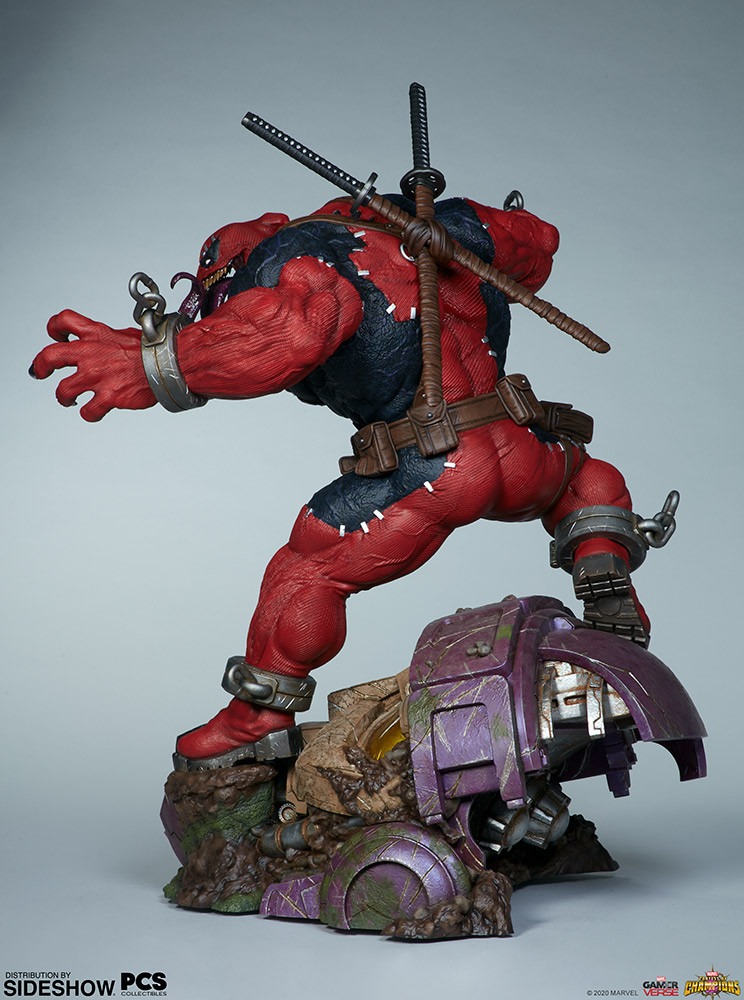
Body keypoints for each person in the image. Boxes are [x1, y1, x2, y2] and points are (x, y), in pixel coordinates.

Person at [32, 193, 653, 769]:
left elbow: (293, 332)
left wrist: (152, 363)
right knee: (583, 477)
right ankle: (600, 552)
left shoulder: (296, 256)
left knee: (306, 572)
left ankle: (256, 720)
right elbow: (536, 243)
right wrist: (453, 232)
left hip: (435, 465)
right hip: (520, 441)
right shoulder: (441, 223)